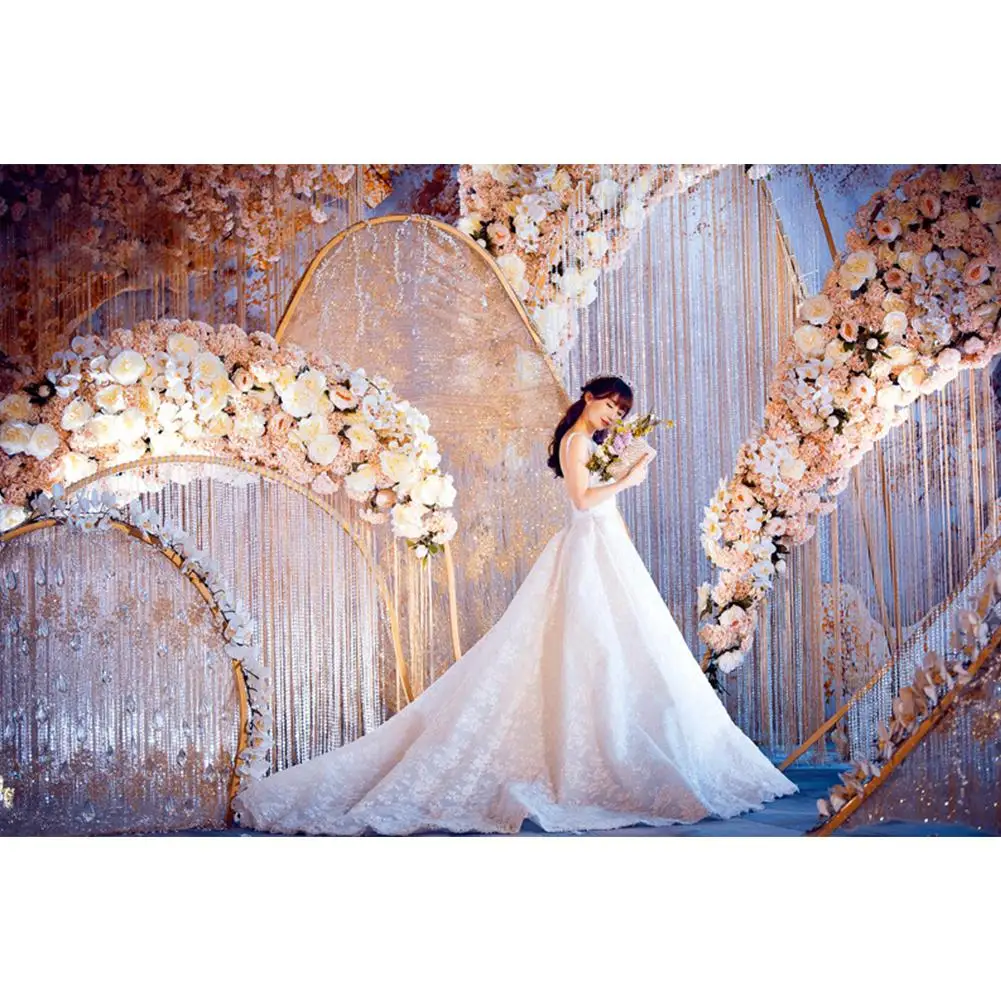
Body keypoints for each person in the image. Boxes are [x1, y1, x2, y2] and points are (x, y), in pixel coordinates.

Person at [233, 375, 797, 835]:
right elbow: (583, 501)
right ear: (588, 396)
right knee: (586, 648)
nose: (612, 416)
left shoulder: (594, 445)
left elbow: (604, 511)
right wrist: (628, 479)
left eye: (620, 411)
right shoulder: (574, 442)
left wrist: (625, 526)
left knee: (624, 651)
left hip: (607, 551)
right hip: (584, 550)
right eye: (609, 404)